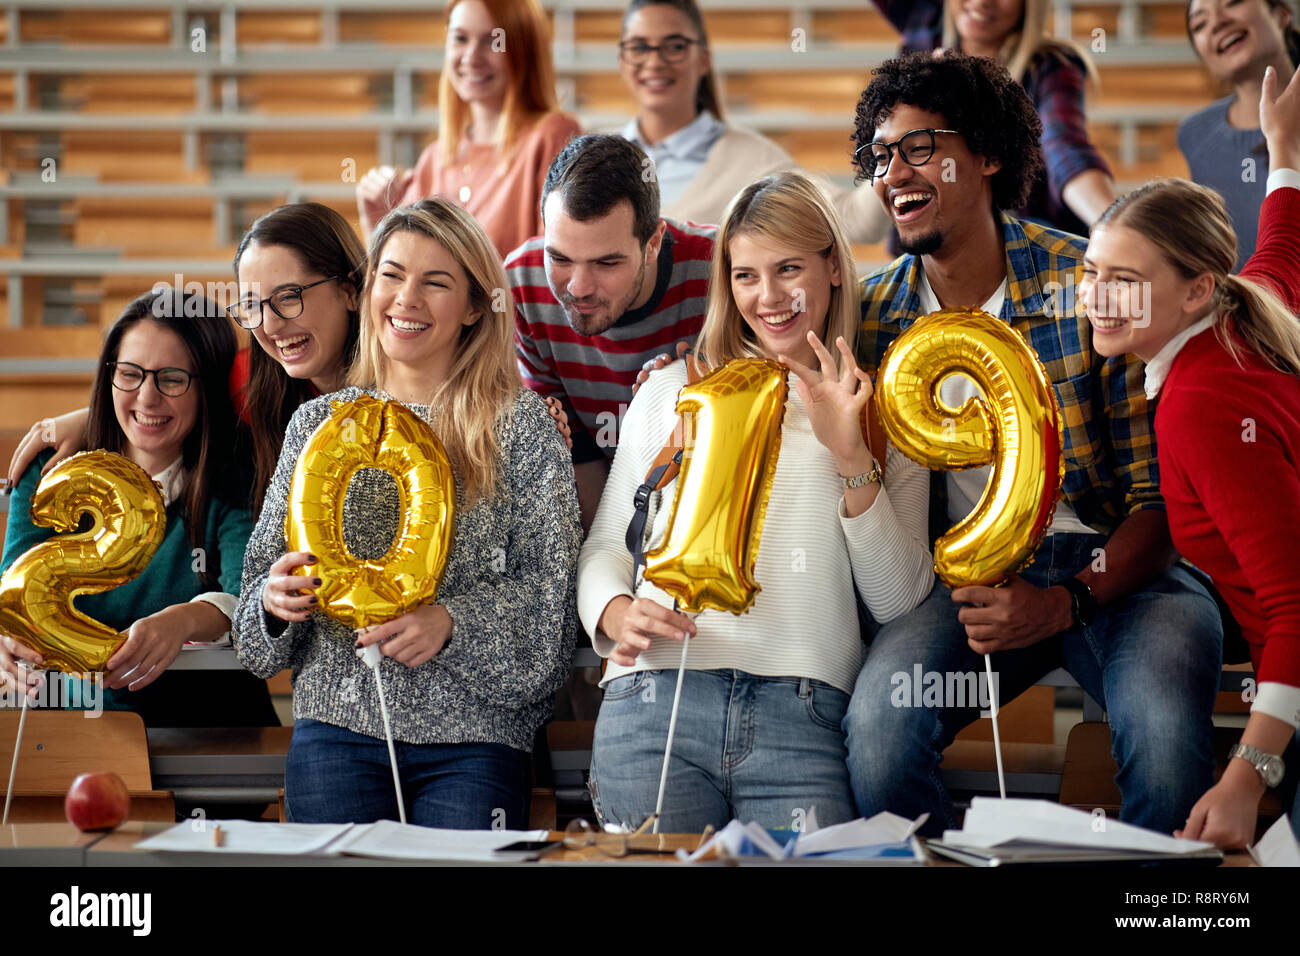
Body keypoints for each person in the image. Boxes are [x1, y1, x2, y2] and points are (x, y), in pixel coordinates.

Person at [845, 52, 1223, 836]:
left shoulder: (1085, 283)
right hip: (962, 586)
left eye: (920, 147)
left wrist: (1062, 602)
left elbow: (1160, 505)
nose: (893, 172)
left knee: (1162, 742)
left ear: (987, 153)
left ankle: (1160, 914)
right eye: (881, 155)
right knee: (880, 737)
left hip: (1116, 571)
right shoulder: (869, 314)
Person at [578, 171, 933, 831]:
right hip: (656, 696)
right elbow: (603, 548)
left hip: (805, 715)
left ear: (833, 266)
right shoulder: (673, 389)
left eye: (788, 268)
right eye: (745, 275)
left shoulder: (883, 410)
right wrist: (615, 611)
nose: (767, 297)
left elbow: (899, 600)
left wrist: (851, 455)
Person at [233, 199, 581, 828]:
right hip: (334, 735)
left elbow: (552, 617)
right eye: (391, 276)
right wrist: (273, 602)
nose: (406, 299)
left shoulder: (525, 429)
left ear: (476, 306)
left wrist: (451, 623)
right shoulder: (316, 424)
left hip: (475, 744)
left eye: (436, 282)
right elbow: (256, 639)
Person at [1084, 65, 1300, 846]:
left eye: (1126, 281)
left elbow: (1294, 608)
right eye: (1091, 273)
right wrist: (1283, 149)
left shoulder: (1203, 407)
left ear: (1196, 289)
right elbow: (1285, 237)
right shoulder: (1253, 305)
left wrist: (1247, 777)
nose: (1097, 300)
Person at [0, 289, 276, 729]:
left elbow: (250, 599)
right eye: (130, 374)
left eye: (171, 379)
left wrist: (183, 619)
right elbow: (13, 590)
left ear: (208, 387)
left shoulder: (238, 475)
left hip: (208, 732)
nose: (147, 399)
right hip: (69, 735)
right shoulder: (51, 468)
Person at [508, 133, 715, 530]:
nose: (578, 287)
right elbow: (576, 456)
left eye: (606, 263)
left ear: (653, 243)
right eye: (560, 257)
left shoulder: (722, 271)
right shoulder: (523, 284)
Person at [615, 0, 888, 241]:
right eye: (639, 46)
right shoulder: (597, 155)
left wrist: (900, 133)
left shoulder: (752, 161)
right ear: (622, 58)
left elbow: (857, 221)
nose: (654, 61)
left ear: (703, 59)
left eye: (675, 46)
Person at [355, 0, 581, 256]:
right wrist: (377, 225)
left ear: (524, 49)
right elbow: (402, 278)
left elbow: (557, 267)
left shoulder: (553, 135)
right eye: (460, 38)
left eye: (491, 41)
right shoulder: (434, 159)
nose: (472, 57)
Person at [870, 0, 1115, 234]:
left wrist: (1111, 223)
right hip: (927, 237)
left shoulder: (1049, 67)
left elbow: (1064, 147)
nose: (983, 2)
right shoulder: (925, 25)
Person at [1181, 0, 1300, 269]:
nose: (1217, 22)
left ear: (1282, 14)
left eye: (1233, 3)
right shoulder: (1194, 135)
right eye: (1200, 24)